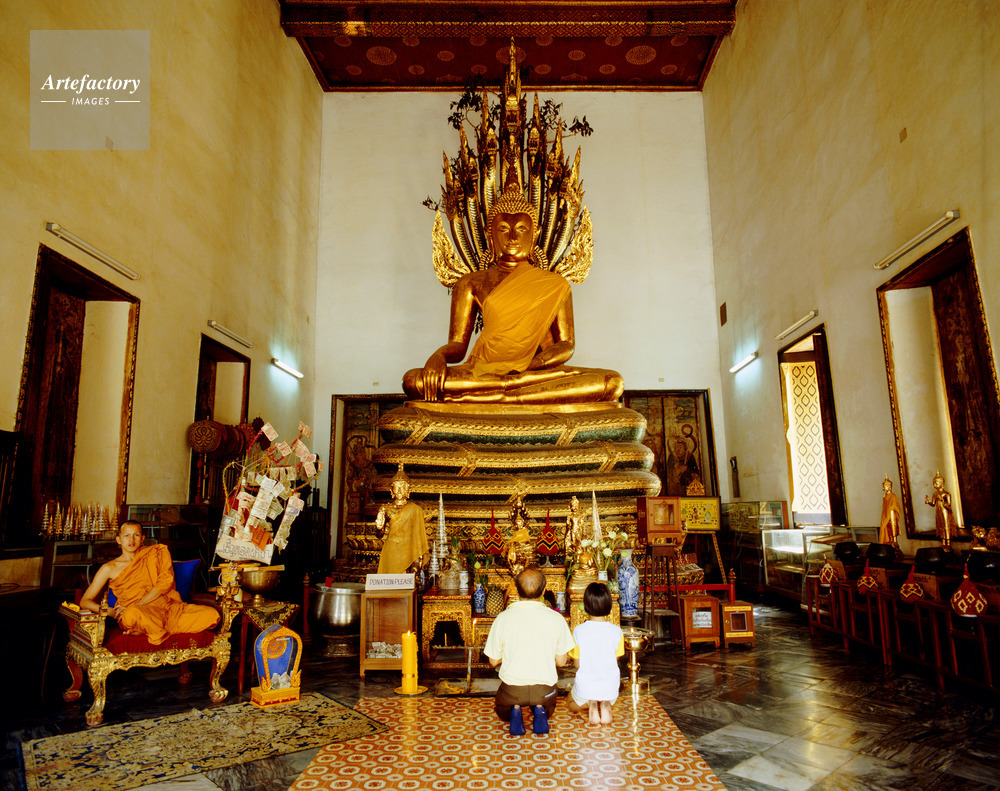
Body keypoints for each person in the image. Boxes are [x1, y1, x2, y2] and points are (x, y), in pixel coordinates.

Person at [402, 169, 623, 405]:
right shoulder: (470, 283)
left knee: (611, 381)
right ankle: (509, 394)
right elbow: (458, 345)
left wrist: (530, 366)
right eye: (503, 230)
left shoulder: (556, 284)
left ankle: (496, 395)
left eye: (521, 229)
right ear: (490, 235)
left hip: (535, 372)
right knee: (414, 381)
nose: (513, 238)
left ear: (535, 234)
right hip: (484, 371)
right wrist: (439, 356)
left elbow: (566, 345)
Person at [80, 521, 220, 645]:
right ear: (118, 539)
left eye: (136, 535)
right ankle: (153, 628)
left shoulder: (156, 553)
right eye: (126, 535)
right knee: (131, 614)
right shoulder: (109, 568)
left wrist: (140, 603)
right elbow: (85, 601)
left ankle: (150, 629)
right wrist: (110, 612)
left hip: (167, 610)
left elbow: (165, 582)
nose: (131, 540)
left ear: (142, 538)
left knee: (211, 615)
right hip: (138, 614)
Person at [484, 568, 575, 735]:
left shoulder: (503, 618)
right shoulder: (556, 619)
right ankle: (540, 709)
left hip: (512, 691)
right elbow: (561, 662)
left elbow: (493, 661)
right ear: (544, 590)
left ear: (516, 590)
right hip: (545, 691)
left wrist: (511, 654)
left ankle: (515, 710)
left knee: (502, 710)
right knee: (547, 706)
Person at [566, 582, 625, 725]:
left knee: (569, 703)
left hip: (586, 685)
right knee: (607, 693)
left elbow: (577, 664)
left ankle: (590, 703)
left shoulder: (579, 631)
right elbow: (615, 659)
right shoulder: (617, 631)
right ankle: (605, 704)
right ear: (609, 606)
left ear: (586, 606)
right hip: (610, 686)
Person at [375, 465, 429, 574]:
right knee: (390, 579)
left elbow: (418, 537)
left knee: (408, 578)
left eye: (403, 487)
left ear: (408, 490)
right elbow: (379, 535)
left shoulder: (415, 510)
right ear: (391, 490)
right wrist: (379, 527)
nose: (400, 490)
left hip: (408, 549)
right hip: (391, 548)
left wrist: (418, 556)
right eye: (397, 487)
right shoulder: (385, 508)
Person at [925, 471, 958, 549]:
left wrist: (943, 501)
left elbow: (949, 506)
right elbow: (933, 504)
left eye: (936, 483)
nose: (934, 484)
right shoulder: (935, 494)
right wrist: (928, 502)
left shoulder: (946, 494)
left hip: (945, 512)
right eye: (934, 483)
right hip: (939, 512)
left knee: (946, 526)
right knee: (940, 526)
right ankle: (943, 542)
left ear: (941, 483)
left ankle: (948, 543)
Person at [879, 475, 902, 546]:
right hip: (885, 517)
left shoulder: (893, 496)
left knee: (891, 531)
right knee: (884, 529)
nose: (883, 488)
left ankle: (894, 541)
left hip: (891, 518)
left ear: (889, 487)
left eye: (884, 486)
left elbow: (894, 507)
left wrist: (890, 515)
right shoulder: (885, 497)